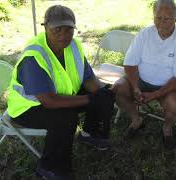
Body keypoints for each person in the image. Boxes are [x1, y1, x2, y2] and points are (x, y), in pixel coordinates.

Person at [7, 5, 115, 180]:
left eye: (69, 30)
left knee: (104, 94)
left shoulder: (74, 46)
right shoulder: (34, 56)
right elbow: (49, 102)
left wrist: (104, 94)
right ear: (45, 27)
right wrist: (90, 99)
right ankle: (49, 167)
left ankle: (91, 134)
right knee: (65, 118)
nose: (64, 35)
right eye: (57, 30)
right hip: (28, 108)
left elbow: (88, 78)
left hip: (60, 94)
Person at [113, 0, 176, 149]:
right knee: (118, 88)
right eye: (158, 18)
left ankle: (167, 128)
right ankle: (136, 120)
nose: (162, 23)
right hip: (143, 80)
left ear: (175, 19)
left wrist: (156, 94)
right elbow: (130, 64)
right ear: (153, 17)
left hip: (170, 86)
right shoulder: (145, 34)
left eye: (167, 19)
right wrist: (136, 88)